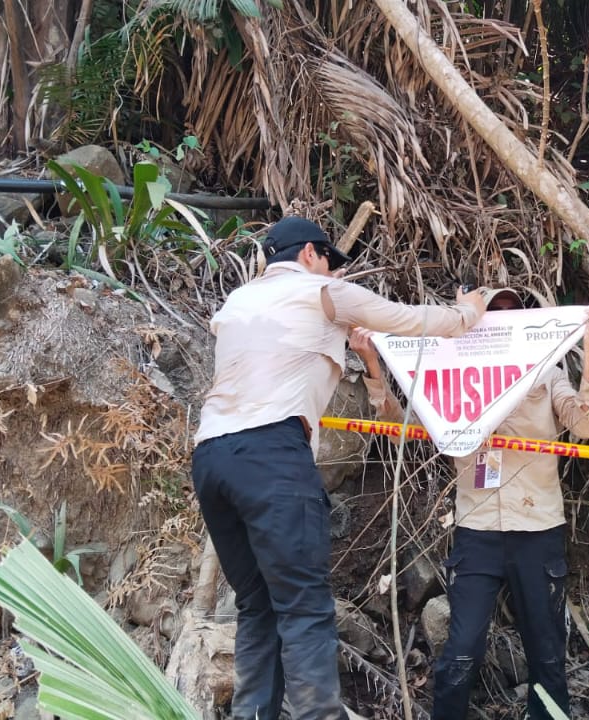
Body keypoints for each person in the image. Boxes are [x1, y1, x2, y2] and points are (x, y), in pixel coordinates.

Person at [191, 216, 487, 720]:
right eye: (330, 261)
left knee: (258, 604)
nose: (334, 273)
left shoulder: (238, 302)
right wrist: (466, 313)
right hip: (271, 456)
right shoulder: (321, 292)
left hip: (211, 457)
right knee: (304, 609)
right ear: (310, 254)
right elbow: (409, 318)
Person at [350, 287, 589, 719]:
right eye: (492, 313)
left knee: (546, 649)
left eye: (512, 313)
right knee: (462, 648)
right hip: (478, 528)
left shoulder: (547, 370)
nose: (502, 319)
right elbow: (402, 426)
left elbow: (584, 424)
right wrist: (373, 363)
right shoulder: (449, 370)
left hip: (537, 525)